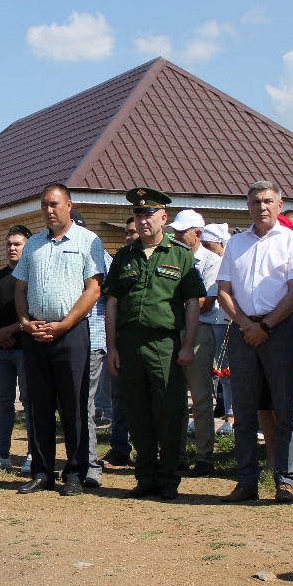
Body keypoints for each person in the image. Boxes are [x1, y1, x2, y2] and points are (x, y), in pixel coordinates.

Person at [104, 188, 205, 499]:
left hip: (165, 343)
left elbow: (192, 303)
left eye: (148, 214)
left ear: (164, 218)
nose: (143, 219)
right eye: (138, 214)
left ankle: (169, 477)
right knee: (137, 411)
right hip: (130, 343)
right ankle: (146, 475)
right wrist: (112, 347)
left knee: (169, 411)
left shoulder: (181, 255)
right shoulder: (124, 256)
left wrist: (188, 345)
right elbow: (112, 303)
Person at [216, 181, 293, 503]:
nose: (262, 207)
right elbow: (224, 290)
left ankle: (285, 480)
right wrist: (245, 324)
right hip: (243, 331)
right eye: (256, 201)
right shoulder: (236, 244)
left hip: (280, 329)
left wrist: (267, 324)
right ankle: (247, 482)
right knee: (243, 411)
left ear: (279, 205)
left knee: (285, 409)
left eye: (268, 201)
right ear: (248, 206)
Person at [14, 183, 108, 496]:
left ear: (69, 205)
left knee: (75, 406)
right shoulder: (33, 245)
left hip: (71, 333)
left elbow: (93, 290)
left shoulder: (88, 241)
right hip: (36, 334)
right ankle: (42, 472)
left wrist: (64, 325)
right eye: (44, 205)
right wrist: (26, 323)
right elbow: (20, 289)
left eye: (54, 204)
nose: (49, 210)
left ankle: (76, 473)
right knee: (38, 405)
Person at [168, 209, 221, 476]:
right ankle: (176, 453)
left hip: (200, 330)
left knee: (200, 397)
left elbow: (204, 302)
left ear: (198, 234)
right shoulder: (169, 257)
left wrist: (170, 304)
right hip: (172, 329)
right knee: (174, 396)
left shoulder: (211, 260)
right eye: (174, 232)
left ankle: (204, 455)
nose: (175, 236)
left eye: (181, 232)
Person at [0, 225, 33, 472]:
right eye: (9, 244)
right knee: (3, 403)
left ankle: (34, 453)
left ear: (28, 246)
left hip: (26, 348)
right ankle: (2, 453)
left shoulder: (34, 276)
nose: (12, 248)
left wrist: (10, 331)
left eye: (17, 244)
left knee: (30, 402)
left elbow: (34, 312)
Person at [74, 210, 114, 488]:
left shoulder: (99, 254)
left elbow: (111, 299)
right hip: (60, 338)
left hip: (92, 338)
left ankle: (89, 465)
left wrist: (113, 343)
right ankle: (73, 462)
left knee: (84, 405)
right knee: (69, 405)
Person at [102, 217, 137, 468]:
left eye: (132, 232)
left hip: (154, 339)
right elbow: (111, 302)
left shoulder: (170, 256)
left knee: (150, 398)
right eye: (126, 232)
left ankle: (151, 451)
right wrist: (111, 344)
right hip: (123, 337)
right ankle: (120, 448)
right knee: (119, 397)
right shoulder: (120, 261)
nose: (129, 236)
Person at [201, 223, 234, 437]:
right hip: (216, 321)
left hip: (229, 319)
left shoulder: (225, 262)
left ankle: (232, 416)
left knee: (229, 372)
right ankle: (223, 412)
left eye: (209, 245)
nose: (206, 249)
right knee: (219, 372)